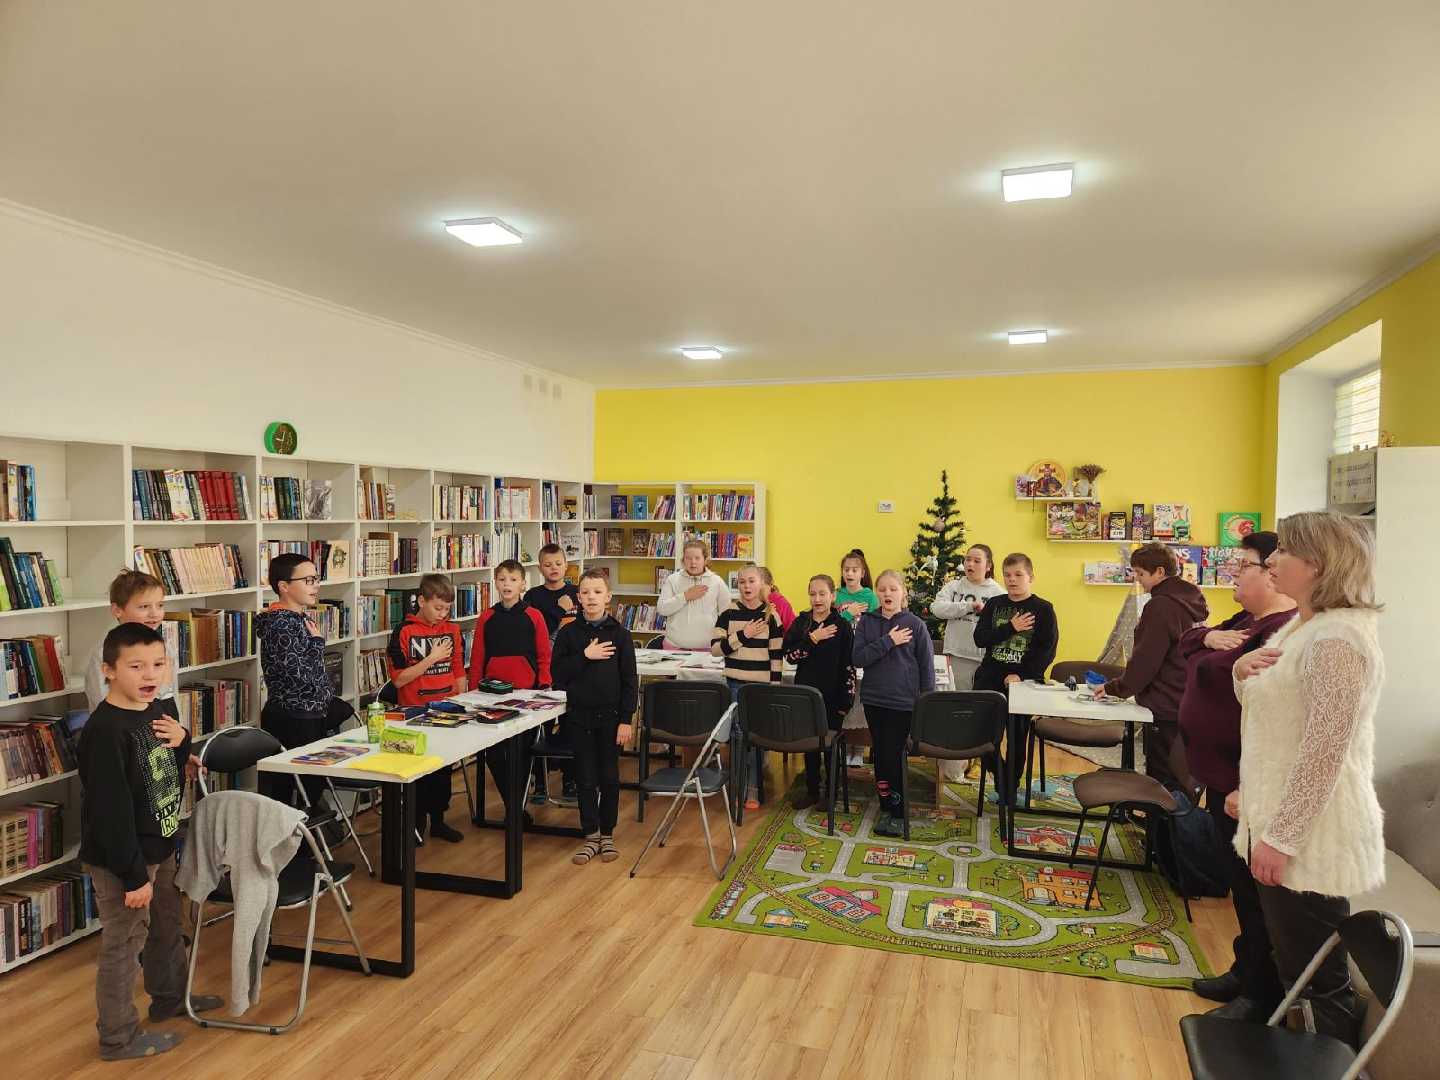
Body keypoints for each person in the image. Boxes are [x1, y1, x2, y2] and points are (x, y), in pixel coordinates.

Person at [1227, 511, 1385, 1046]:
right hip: (1279, 821)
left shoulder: (1337, 639)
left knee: (1315, 978)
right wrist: (1241, 673)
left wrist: (1282, 836)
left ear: (1317, 563)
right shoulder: (1305, 626)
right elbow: (1280, 718)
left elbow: (1324, 753)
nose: (1271, 560)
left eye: (1284, 551)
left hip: (1310, 837)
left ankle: (1328, 1062)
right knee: (1292, 964)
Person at [79, 623, 222, 1060]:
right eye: (136, 666)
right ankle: (118, 1037)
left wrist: (183, 743)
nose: (150, 674)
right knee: (124, 945)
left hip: (159, 843)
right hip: (126, 859)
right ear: (108, 670)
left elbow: (164, 769)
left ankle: (171, 998)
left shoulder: (155, 708)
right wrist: (133, 874)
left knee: (166, 925)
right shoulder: (105, 731)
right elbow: (110, 811)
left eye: (158, 664)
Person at [1178, 531, 1296, 1019]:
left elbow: (1219, 675)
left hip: (1248, 782)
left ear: (1271, 572)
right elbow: (1188, 643)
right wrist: (1206, 640)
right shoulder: (1246, 622)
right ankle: (1244, 972)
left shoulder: (1283, 631)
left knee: (1254, 893)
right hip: (1222, 775)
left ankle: (1260, 994)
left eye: (1243, 564)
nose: (1234, 572)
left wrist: (1210, 655)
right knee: (1239, 884)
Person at [1099, 542, 1209, 788]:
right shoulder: (1188, 600)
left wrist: (1115, 688)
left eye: (1141, 573)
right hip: (1184, 696)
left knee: (1163, 777)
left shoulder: (1160, 606)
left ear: (1159, 572)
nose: (1138, 580)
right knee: (1178, 772)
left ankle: (1160, 814)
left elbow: (1145, 661)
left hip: (1166, 700)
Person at [551, 570, 637, 864]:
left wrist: (626, 719)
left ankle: (608, 834)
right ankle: (591, 835)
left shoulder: (621, 635)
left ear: (608, 597)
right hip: (578, 717)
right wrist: (584, 656)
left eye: (597, 592)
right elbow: (557, 675)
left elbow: (630, 681)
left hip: (611, 718)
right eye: (585, 592)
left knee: (609, 777)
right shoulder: (568, 634)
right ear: (578, 598)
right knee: (585, 778)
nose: (591, 597)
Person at [852, 569, 935, 837]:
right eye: (882, 589)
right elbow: (858, 658)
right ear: (876, 593)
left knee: (893, 756)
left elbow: (926, 668)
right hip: (874, 700)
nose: (887, 593)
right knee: (880, 755)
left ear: (903, 593)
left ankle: (899, 812)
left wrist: (926, 704)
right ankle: (886, 807)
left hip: (903, 702)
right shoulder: (867, 622)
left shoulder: (915, 624)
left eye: (893, 589)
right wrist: (889, 641)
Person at [972, 553, 1059, 805]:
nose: (1012, 580)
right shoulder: (994, 604)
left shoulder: (1043, 609)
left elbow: (1046, 650)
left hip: (1023, 683)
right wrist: (1011, 627)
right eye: (1007, 575)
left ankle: (1011, 786)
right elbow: (980, 639)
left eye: (1018, 575)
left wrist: (1020, 674)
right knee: (980, 735)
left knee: (1017, 737)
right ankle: (1003, 782)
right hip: (989, 678)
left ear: (1031, 577)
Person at [468, 560, 552, 820]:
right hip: (491, 695)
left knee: (523, 753)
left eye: (513, 580)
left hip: (526, 694)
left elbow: (543, 654)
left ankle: (515, 809)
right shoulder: (486, 617)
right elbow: (477, 655)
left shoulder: (534, 616)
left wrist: (544, 683)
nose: (507, 584)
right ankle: (514, 807)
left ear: (523, 584)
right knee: (493, 752)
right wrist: (472, 690)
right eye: (502, 579)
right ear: (495, 583)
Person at [387, 573, 466, 843]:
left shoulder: (452, 629)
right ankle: (416, 824)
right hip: (414, 712)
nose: (442, 614)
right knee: (418, 772)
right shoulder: (403, 632)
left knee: (442, 770)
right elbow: (399, 679)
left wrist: (462, 701)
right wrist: (431, 658)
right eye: (438, 608)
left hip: (447, 709)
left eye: (447, 609)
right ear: (421, 601)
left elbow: (458, 668)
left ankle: (439, 821)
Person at [256, 553, 331, 806]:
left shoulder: (298, 619)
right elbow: (300, 675)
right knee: (290, 791)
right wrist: (317, 644)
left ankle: (307, 830)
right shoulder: (280, 624)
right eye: (308, 580)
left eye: (316, 579)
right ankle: (300, 832)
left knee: (312, 786)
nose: (315, 586)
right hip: (293, 717)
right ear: (284, 586)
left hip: (309, 714)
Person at [929, 544, 1005, 781]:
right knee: (955, 714)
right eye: (967, 559)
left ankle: (981, 763)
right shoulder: (954, 587)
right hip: (956, 656)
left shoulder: (997, 592)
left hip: (984, 661)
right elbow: (937, 608)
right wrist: (968, 606)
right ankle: (953, 768)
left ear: (988, 566)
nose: (970, 564)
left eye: (976, 560)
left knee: (980, 715)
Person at [712, 564, 784, 809]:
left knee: (755, 737)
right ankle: (739, 785)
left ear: (762, 584)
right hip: (735, 684)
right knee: (738, 735)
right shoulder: (727, 614)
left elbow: (776, 655)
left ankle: (753, 787)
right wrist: (744, 634)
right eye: (741, 582)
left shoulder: (771, 616)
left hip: (761, 687)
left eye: (751, 581)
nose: (746, 586)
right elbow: (716, 649)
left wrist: (774, 686)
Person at [782, 574, 856, 810]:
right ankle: (812, 791)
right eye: (813, 594)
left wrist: (847, 700)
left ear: (833, 596)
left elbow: (849, 666)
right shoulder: (802, 623)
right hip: (806, 695)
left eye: (822, 594)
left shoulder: (842, 626)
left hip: (833, 697)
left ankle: (831, 793)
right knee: (810, 746)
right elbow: (790, 656)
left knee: (830, 747)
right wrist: (812, 639)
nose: (817, 599)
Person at [524, 543, 581, 805]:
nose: (554, 568)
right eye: (548, 565)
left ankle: (570, 780)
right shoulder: (533, 596)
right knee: (541, 728)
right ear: (540, 568)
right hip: (543, 671)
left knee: (571, 725)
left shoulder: (577, 592)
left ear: (566, 565)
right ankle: (539, 782)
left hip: (572, 670)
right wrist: (559, 609)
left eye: (558, 563)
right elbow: (535, 633)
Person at [656, 538, 731, 651]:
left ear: (705, 560)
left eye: (697, 558)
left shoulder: (717, 581)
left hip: (707, 649)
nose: (693, 562)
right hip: (674, 647)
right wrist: (685, 596)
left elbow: (727, 614)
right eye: (688, 558)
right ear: (683, 560)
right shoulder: (672, 579)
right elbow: (662, 609)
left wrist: (721, 640)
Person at [835, 548, 879, 624]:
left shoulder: (871, 597)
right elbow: (832, 624)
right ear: (842, 572)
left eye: (854, 570)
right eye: (846, 570)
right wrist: (848, 613)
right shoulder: (836, 595)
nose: (849, 573)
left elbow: (874, 625)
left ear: (862, 573)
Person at [757, 566, 797, 631]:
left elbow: (792, 631)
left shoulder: (781, 603)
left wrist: (771, 617)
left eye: (760, 588)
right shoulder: (751, 603)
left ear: (770, 585)